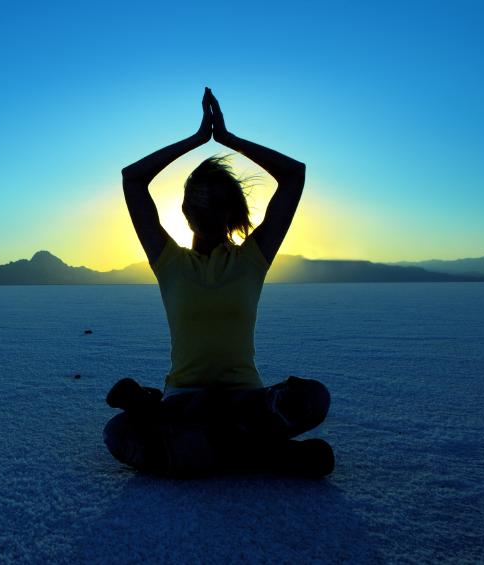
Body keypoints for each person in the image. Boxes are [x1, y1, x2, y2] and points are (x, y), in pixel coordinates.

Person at [104, 87, 334, 478]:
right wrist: (196, 140)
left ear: (230, 211)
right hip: (185, 403)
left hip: (245, 402)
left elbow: (294, 175)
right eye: (199, 200)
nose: (206, 208)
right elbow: (133, 179)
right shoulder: (169, 261)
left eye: (216, 200)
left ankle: (201, 448)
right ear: (186, 210)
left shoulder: (251, 259)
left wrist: (227, 139)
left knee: (314, 397)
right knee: (117, 434)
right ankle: (261, 454)